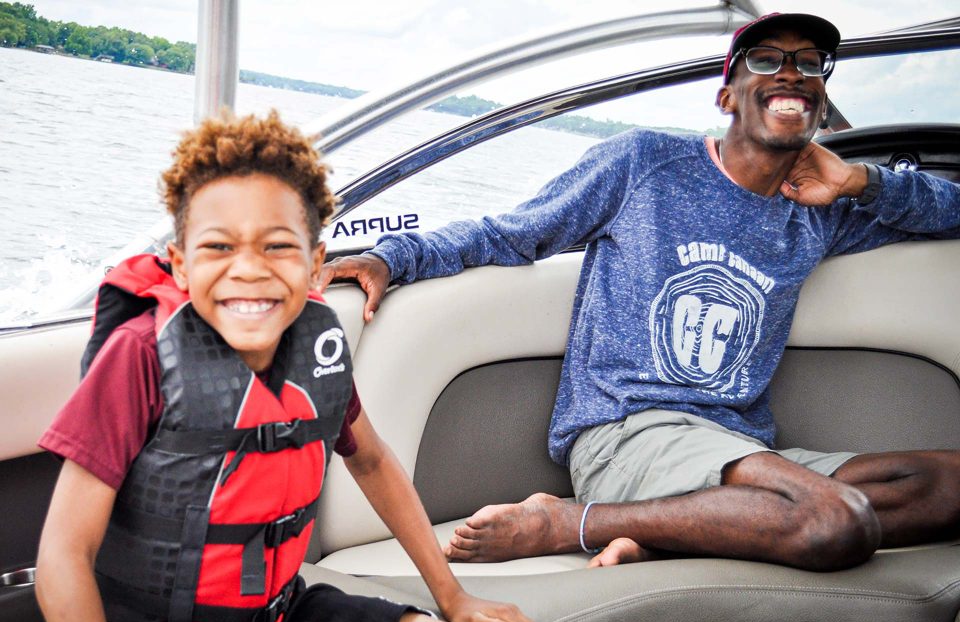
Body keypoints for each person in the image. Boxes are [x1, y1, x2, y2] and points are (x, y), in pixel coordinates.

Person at [320, 13, 960, 571]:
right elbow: (512, 233)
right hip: (625, 432)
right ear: (726, 96)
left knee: (948, 486)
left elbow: (952, 209)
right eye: (767, 60)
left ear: (820, 100)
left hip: (736, 448)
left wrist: (860, 181)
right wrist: (390, 256)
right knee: (837, 522)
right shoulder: (644, 164)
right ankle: (566, 522)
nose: (791, 73)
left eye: (810, 64)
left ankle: (667, 531)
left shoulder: (820, 212)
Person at [34, 111, 542, 622]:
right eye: (218, 246)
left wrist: (452, 597)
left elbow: (372, 461)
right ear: (180, 264)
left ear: (314, 260)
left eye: (277, 245)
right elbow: (63, 556)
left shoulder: (315, 352)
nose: (249, 269)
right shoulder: (140, 356)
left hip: (284, 618)